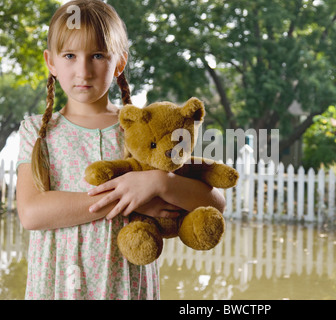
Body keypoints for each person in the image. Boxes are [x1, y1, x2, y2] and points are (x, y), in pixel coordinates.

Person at [16, 0, 225, 300]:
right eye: (70, 55)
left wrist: (159, 183)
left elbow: (215, 204)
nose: (83, 70)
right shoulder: (37, 131)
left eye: (98, 55)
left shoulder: (145, 128)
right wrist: (131, 200)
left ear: (119, 63)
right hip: (57, 288)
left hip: (128, 290)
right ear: (51, 61)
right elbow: (32, 213)